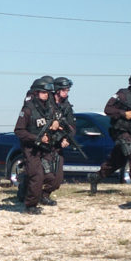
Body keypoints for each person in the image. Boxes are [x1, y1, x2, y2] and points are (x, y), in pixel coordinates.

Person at [89, 72, 131, 196]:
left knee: (117, 162)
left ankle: (96, 177)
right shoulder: (122, 95)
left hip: (130, 131)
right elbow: (108, 109)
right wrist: (124, 114)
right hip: (120, 131)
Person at [14, 78, 62, 214]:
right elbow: (19, 131)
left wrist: (56, 124)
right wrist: (37, 138)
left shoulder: (49, 108)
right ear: (35, 93)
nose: (46, 94)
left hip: (46, 148)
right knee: (37, 176)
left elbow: (56, 118)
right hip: (31, 148)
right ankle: (30, 205)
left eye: (47, 92)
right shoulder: (28, 110)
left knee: (52, 176)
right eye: (43, 92)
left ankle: (29, 183)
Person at [37, 76, 76, 205]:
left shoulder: (66, 106)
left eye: (68, 90)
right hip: (45, 144)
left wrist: (67, 139)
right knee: (46, 174)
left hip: (58, 144)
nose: (66, 92)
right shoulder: (47, 103)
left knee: (57, 179)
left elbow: (72, 126)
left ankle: (45, 195)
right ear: (57, 90)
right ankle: (29, 191)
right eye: (64, 90)